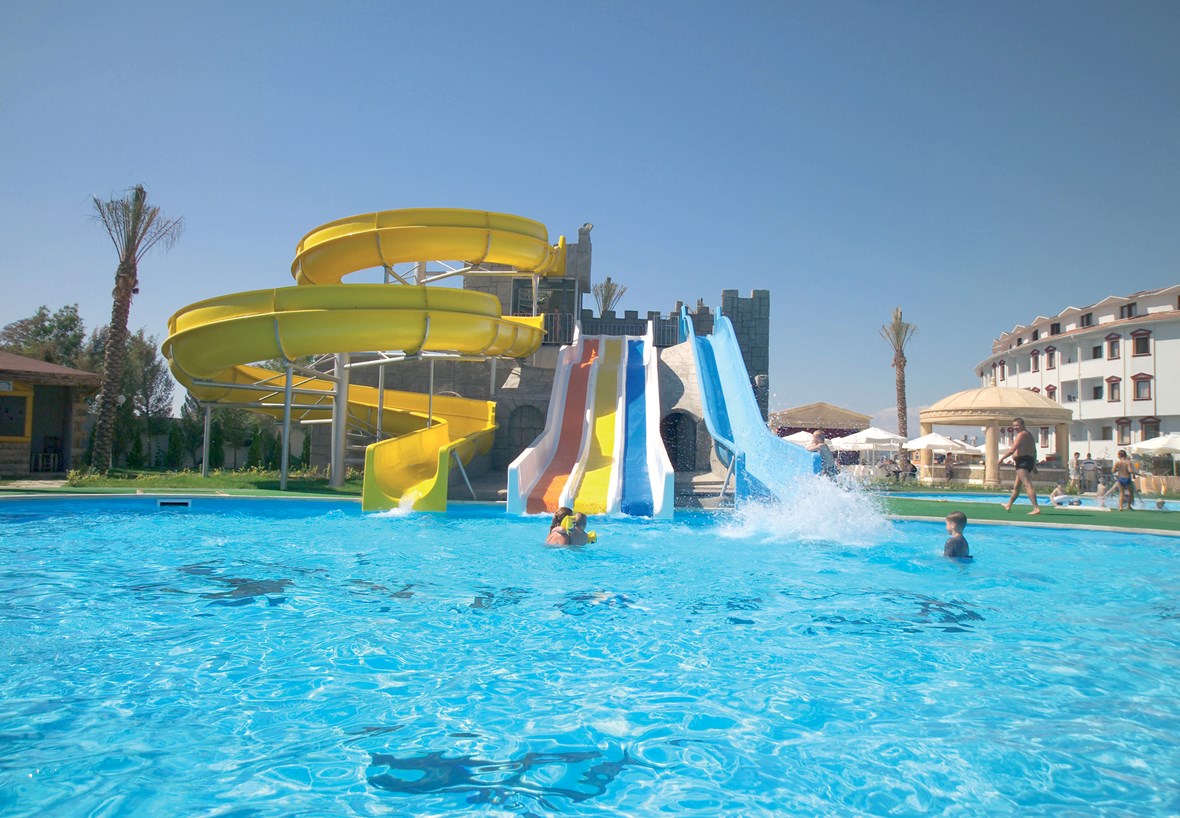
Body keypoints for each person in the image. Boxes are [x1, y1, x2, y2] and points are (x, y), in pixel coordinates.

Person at [1000, 417, 1040, 514]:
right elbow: (1034, 451)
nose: (1015, 427)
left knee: (1027, 484)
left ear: (1022, 425)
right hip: (1028, 461)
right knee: (1017, 486)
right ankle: (1009, 504)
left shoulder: (1021, 435)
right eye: (1014, 426)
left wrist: (1001, 459)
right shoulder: (1029, 435)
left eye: (1017, 425)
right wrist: (1034, 465)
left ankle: (1036, 508)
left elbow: (1012, 450)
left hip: (1022, 462)